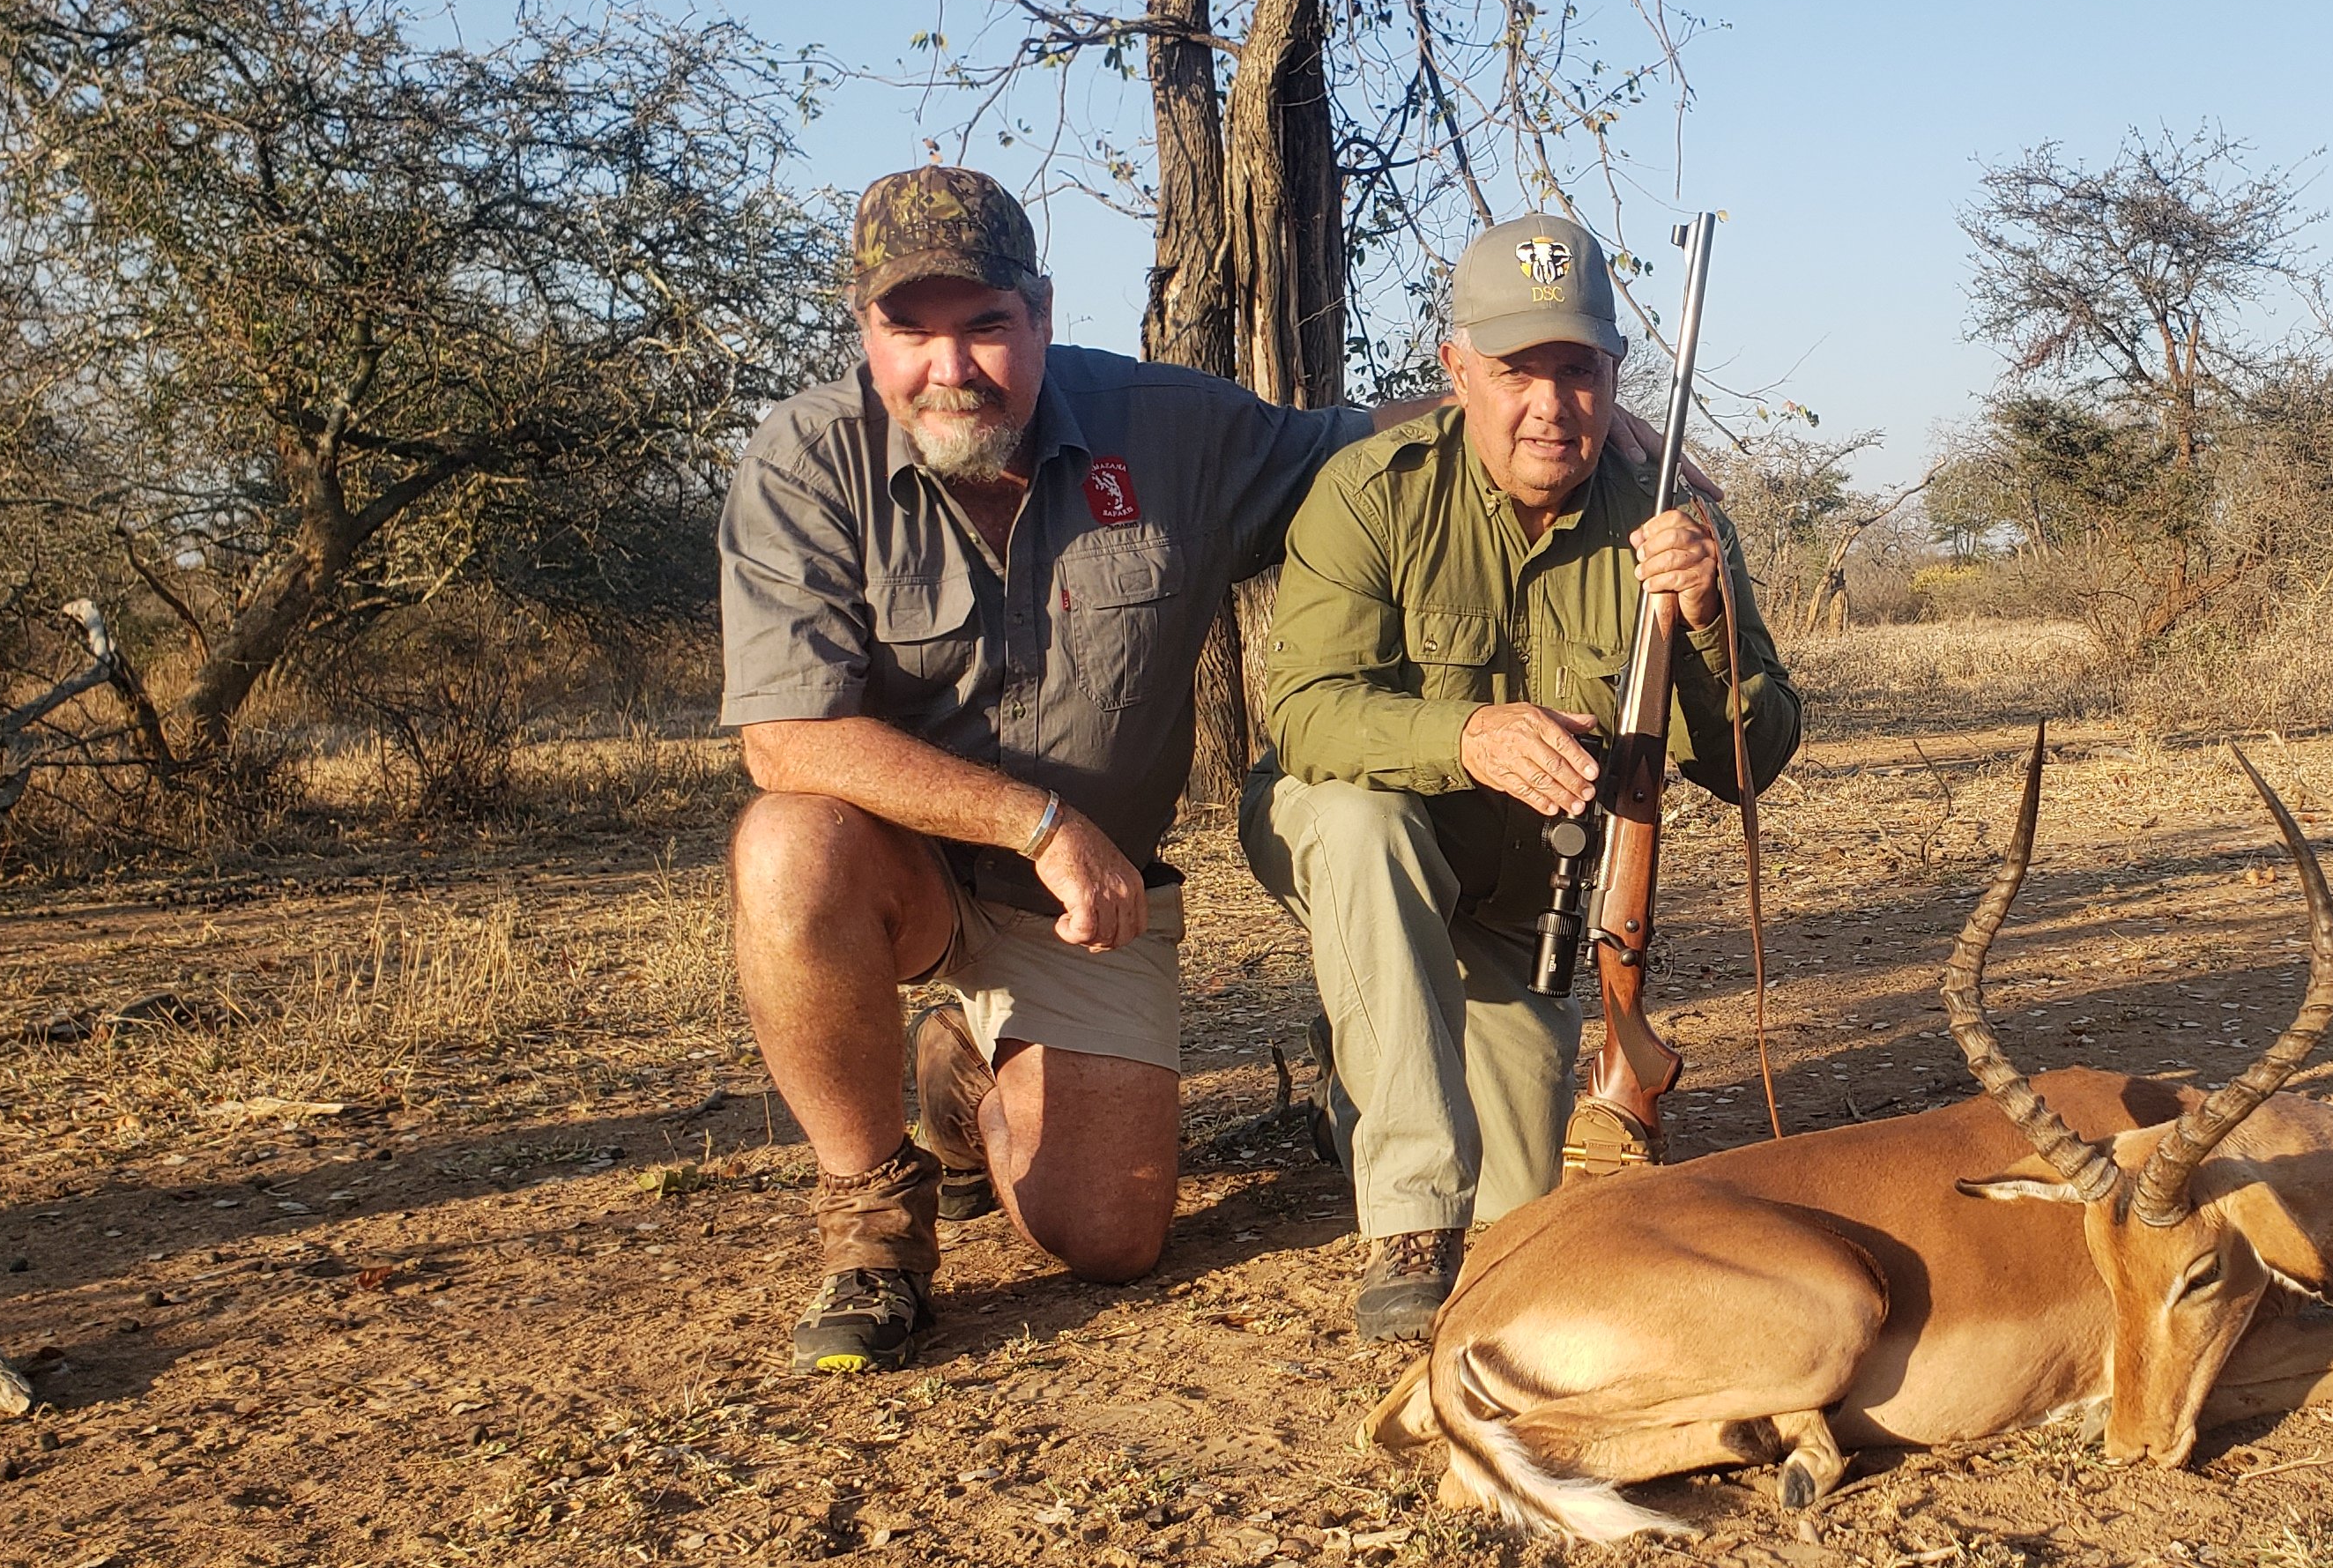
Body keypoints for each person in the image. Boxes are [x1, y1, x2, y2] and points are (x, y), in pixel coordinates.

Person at [721, 165, 1448, 1373]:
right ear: (865, 329)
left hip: (1079, 916)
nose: (950, 367)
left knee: (1110, 1237)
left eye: (987, 327)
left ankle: (963, 1080)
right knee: (786, 842)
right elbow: (783, 739)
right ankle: (870, 1230)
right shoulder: (805, 459)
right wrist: (1040, 821)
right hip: (908, 873)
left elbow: (1352, 445)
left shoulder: (1169, 426)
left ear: (1042, 315)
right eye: (911, 330)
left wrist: (1523, 401)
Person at [1241, 212, 1802, 1341]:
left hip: (1526, 905)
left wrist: (1707, 616)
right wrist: (1468, 737)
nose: (1551, 406)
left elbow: (1755, 757)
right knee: (1362, 823)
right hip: (1367, 842)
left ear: (1613, 376)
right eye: (1515, 370)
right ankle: (1405, 1220)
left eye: (1578, 370)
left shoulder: (1677, 520)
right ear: (1456, 371)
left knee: (1524, 1217)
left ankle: (1373, 1074)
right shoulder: (1370, 491)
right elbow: (1303, 712)